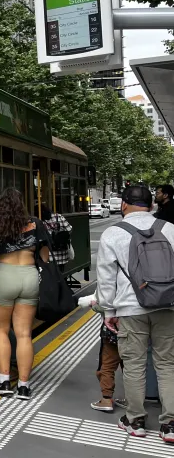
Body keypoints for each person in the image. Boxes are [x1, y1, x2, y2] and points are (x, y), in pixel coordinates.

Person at [96, 185, 174, 440]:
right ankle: (170, 425)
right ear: (151, 205)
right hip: (168, 305)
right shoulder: (170, 228)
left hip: (130, 308)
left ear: (124, 205)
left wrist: (108, 311)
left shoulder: (113, 233)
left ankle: (136, 420)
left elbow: (106, 278)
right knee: (167, 364)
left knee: (134, 365)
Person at [0, 187, 51, 400]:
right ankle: (23, 386)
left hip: (5, 275)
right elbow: (45, 255)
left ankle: (3, 381)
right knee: (24, 334)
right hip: (29, 276)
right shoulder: (35, 223)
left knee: (1, 330)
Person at [78, 293, 128, 412]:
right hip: (135, 329)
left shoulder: (111, 277)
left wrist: (93, 304)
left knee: (107, 365)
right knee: (131, 366)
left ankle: (106, 399)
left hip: (112, 333)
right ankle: (132, 400)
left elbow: (100, 301)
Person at [41, 203, 73, 273]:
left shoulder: (41, 221)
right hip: (62, 254)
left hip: (50, 255)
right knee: (61, 274)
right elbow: (69, 229)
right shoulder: (59, 217)